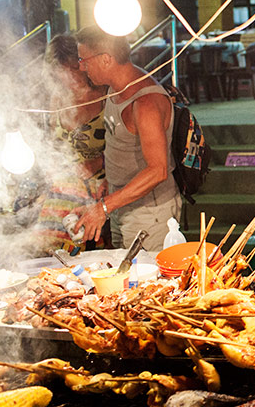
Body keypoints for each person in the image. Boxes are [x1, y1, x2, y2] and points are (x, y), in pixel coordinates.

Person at [74, 26, 180, 252]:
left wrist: (104, 207)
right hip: (122, 204)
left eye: (84, 59)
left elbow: (158, 170)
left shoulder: (145, 102)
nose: (81, 67)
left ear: (105, 59)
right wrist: (110, 183)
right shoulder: (114, 88)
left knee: (147, 281)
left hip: (149, 214)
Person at [31, 34, 107, 255]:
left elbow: (125, 145)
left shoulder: (104, 93)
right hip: (64, 184)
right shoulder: (57, 98)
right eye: (62, 71)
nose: (71, 76)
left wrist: (98, 162)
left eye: (75, 67)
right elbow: (53, 145)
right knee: (45, 243)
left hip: (101, 182)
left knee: (83, 241)